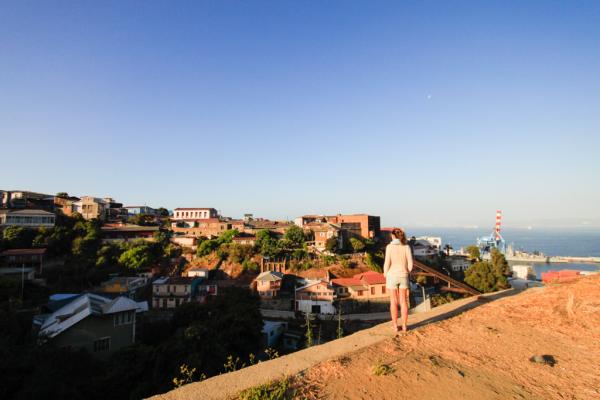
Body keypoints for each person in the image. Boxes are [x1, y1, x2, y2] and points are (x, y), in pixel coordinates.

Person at [383, 228, 413, 333]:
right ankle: (404, 326)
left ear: (393, 236)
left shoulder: (389, 247)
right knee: (404, 301)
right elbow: (410, 264)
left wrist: (385, 274)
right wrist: (406, 272)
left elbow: (387, 263)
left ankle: (395, 326)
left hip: (392, 275)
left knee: (393, 302)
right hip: (403, 275)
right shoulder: (406, 247)